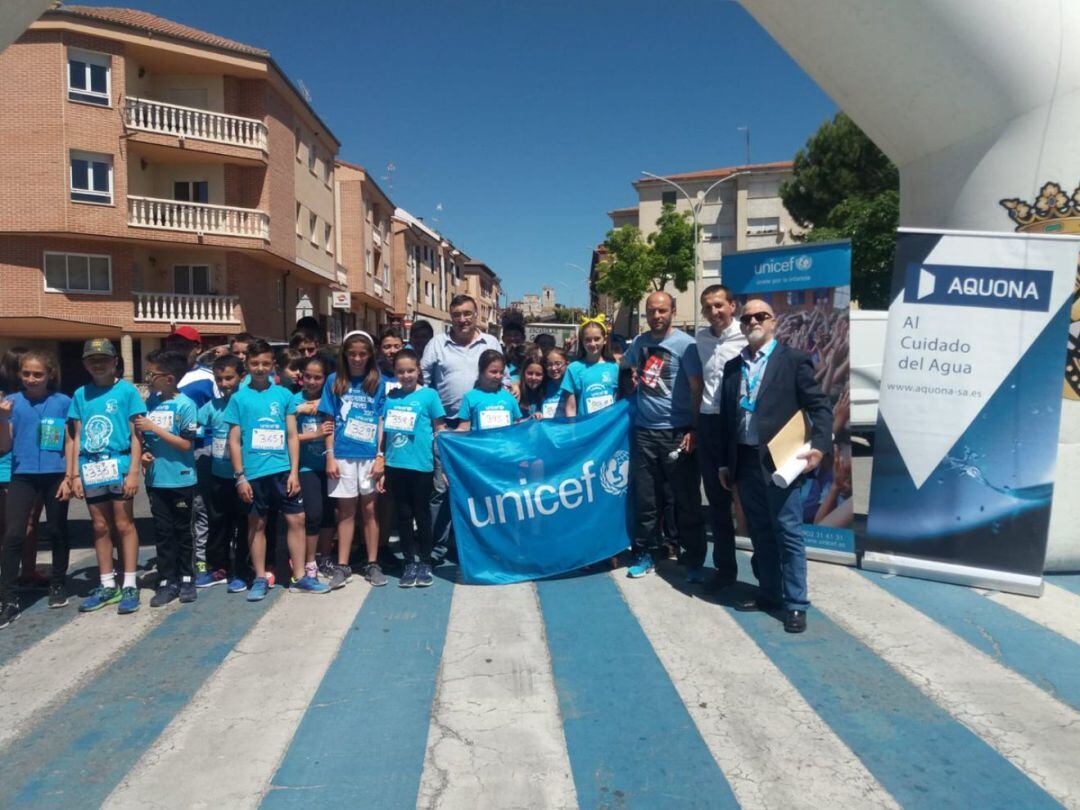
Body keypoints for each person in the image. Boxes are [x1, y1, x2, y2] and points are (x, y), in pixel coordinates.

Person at [717, 299, 832, 634]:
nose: (752, 321)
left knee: (788, 533)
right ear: (741, 325)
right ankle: (769, 593)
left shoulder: (793, 361)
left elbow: (821, 407)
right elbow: (728, 419)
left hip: (780, 461)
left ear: (773, 322)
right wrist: (726, 462)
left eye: (760, 316)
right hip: (744, 459)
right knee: (761, 533)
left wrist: (821, 447)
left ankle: (796, 603)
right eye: (747, 317)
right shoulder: (733, 367)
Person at [225, 338, 329, 601]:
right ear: (247, 365)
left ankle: (300, 577)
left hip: (283, 471)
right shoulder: (238, 398)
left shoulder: (283, 396)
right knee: (257, 524)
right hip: (254, 474)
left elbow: (292, 436)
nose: (260, 368)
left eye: (265, 363)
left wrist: (294, 472)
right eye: (255, 363)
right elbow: (234, 441)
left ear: (273, 365)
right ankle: (260, 577)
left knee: (298, 520)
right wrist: (240, 477)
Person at [623, 291, 706, 582]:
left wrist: (693, 430)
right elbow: (624, 366)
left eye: (662, 310)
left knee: (686, 501)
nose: (656, 316)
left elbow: (698, 389)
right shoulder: (640, 343)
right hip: (644, 433)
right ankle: (646, 554)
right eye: (651, 311)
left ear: (672, 311)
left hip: (677, 433)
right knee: (646, 501)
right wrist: (627, 380)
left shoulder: (687, 345)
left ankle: (693, 559)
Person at [421, 295, 501, 555]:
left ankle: (475, 545)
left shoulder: (490, 342)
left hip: (481, 431)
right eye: (457, 315)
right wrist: (436, 424)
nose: (463, 319)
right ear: (450, 317)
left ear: (476, 314)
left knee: (478, 487)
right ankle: (435, 548)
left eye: (468, 313)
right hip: (446, 427)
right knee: (440, 489)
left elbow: (504, 377)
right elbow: (423, 384)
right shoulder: (437, 344)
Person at [69, 339, 145, 614]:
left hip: (120, 463)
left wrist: (134, 470)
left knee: (125, 524)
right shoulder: (80, 394)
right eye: (92, 360)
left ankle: (129, 583)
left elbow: (137, 434)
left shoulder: (127, 391)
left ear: (115, 361)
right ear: (85, 364)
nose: (98, 364)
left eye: (103, 358)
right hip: (91, 467)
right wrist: (75, 474)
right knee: (100, 526)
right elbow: (77, 435)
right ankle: (106, 583)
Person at [0, 351, 73, 625]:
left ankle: (57, 584)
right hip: (23, 475)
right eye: (26, 374)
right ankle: (8, 597)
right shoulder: (11, 403)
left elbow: (69, 441)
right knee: (14, 533)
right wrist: (2, 419)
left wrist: (70, 476)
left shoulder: (63, 402)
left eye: (37, 374)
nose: (31, 379)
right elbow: (4, 447)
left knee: (56, 529)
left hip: (56, 474)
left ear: (49, 375)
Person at [320, 331, 387, 588]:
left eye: (362, 354)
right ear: (344, 355)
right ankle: (343, 564)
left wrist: (380, 456)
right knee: (346, 511)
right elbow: (328, 420)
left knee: (370, 509)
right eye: (352, 354)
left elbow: (382, 420)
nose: (357, 359)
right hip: (342, 454)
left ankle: (372, 563)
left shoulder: (378, 382)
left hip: (369, 455)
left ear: (370, 355)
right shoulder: (334, 381)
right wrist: (330, 456)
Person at [376, 349, 445, 587]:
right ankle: (409, 563)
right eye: (400, 371)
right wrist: (380, 457)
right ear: (394, 373)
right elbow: (383, 428)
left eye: (410, 371)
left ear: (418, 371)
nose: (405, 375)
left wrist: (442, 465)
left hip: (421, 466)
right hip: (396, 465)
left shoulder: (429, 396)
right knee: (403, 516)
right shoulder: (391, 397)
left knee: (422, 515)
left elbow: (439, 430)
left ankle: (425, 560)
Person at [695, 285, 748, 591]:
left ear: (732, 305)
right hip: (708, 423)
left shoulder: (746, 338)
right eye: (707, 307)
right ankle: (725, 570)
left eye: (718, 305)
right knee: (716, 503)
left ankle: (766, 576)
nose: (713, 312)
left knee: (749, 501)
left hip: (738, 424)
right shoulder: (700, 340)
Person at [136, 350, 199, 607]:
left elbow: (186, 444)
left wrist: (155, 429)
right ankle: (166, 580)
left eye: (152, 374)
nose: (148, 378)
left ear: (169, 378)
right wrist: (144, 454)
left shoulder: (186, 405)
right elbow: (144, 440)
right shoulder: (150, 402)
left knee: (183, 532)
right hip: (156, 480)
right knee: (163, 532)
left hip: (182, 479)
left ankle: (187, 577)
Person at [163, 326, 220, 590]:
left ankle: (200, 562)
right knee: (174, 512)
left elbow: (221, 413)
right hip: (168, 454)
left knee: (199, 509)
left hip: (200, 451)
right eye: (174, 343)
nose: (178, 349)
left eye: (184, 344)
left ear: (197, 348)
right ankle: (178, 563)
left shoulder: (208, 377)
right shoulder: (164, 377)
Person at [199, 354, 249, 592]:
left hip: (245, 476)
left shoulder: (246, 403)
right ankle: (218, 568)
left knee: (244, 524)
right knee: (218, 523)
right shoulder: (212, 406)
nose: (224, 384)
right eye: (219, 379)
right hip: (219, 476)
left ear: (241, 377)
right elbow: (192, 423)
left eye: (229, 378)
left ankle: (242, 569)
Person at [292, 354, 335, 584]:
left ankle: (326, 557)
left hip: (330, 465)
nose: (311, 381)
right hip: (306, 466)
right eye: (307, 376)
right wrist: (314, 433)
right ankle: (310, 561)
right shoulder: (293, 401)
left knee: (329, 513)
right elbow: (287, 437)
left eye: (317, 377)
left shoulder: (332, 399)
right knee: (314, 514)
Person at [562, 316, 618, 418]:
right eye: (588, 340)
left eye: (597, 339)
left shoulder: (614, 367)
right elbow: (571, 407)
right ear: (582, 342)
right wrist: (571, 430)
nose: (592, 344)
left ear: (605, 340)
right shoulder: (573, 369)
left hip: (610, 429)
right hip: (586, 429)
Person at [456, 350, 523, 431]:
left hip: (505, 443)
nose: (498, 376)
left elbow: (518, 425)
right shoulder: (469, 397)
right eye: (494, 372)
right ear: (481, 371)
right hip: (481, 443)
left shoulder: (510, 397)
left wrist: (533, 419)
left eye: (501, 372)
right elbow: (463, 429)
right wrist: (446, 435)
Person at [516, 348, 548, 419]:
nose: (533, 377)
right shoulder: (516, 393)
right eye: (530, 373)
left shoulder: (547, 391)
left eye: (538, 374)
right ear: (523, 373)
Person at [540, 347, 570, 418]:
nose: (553, 368)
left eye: (558, 364)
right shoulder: (542, 387)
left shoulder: (572, 385)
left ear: (567, 364)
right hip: (548, 428)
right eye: (549, 365)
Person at [377, 326, 404, 392]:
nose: (393, 351)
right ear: (379, 349)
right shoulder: (373, 372)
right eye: (387, 347)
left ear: (403, 347)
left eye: (397, 346)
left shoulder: (410, 372)